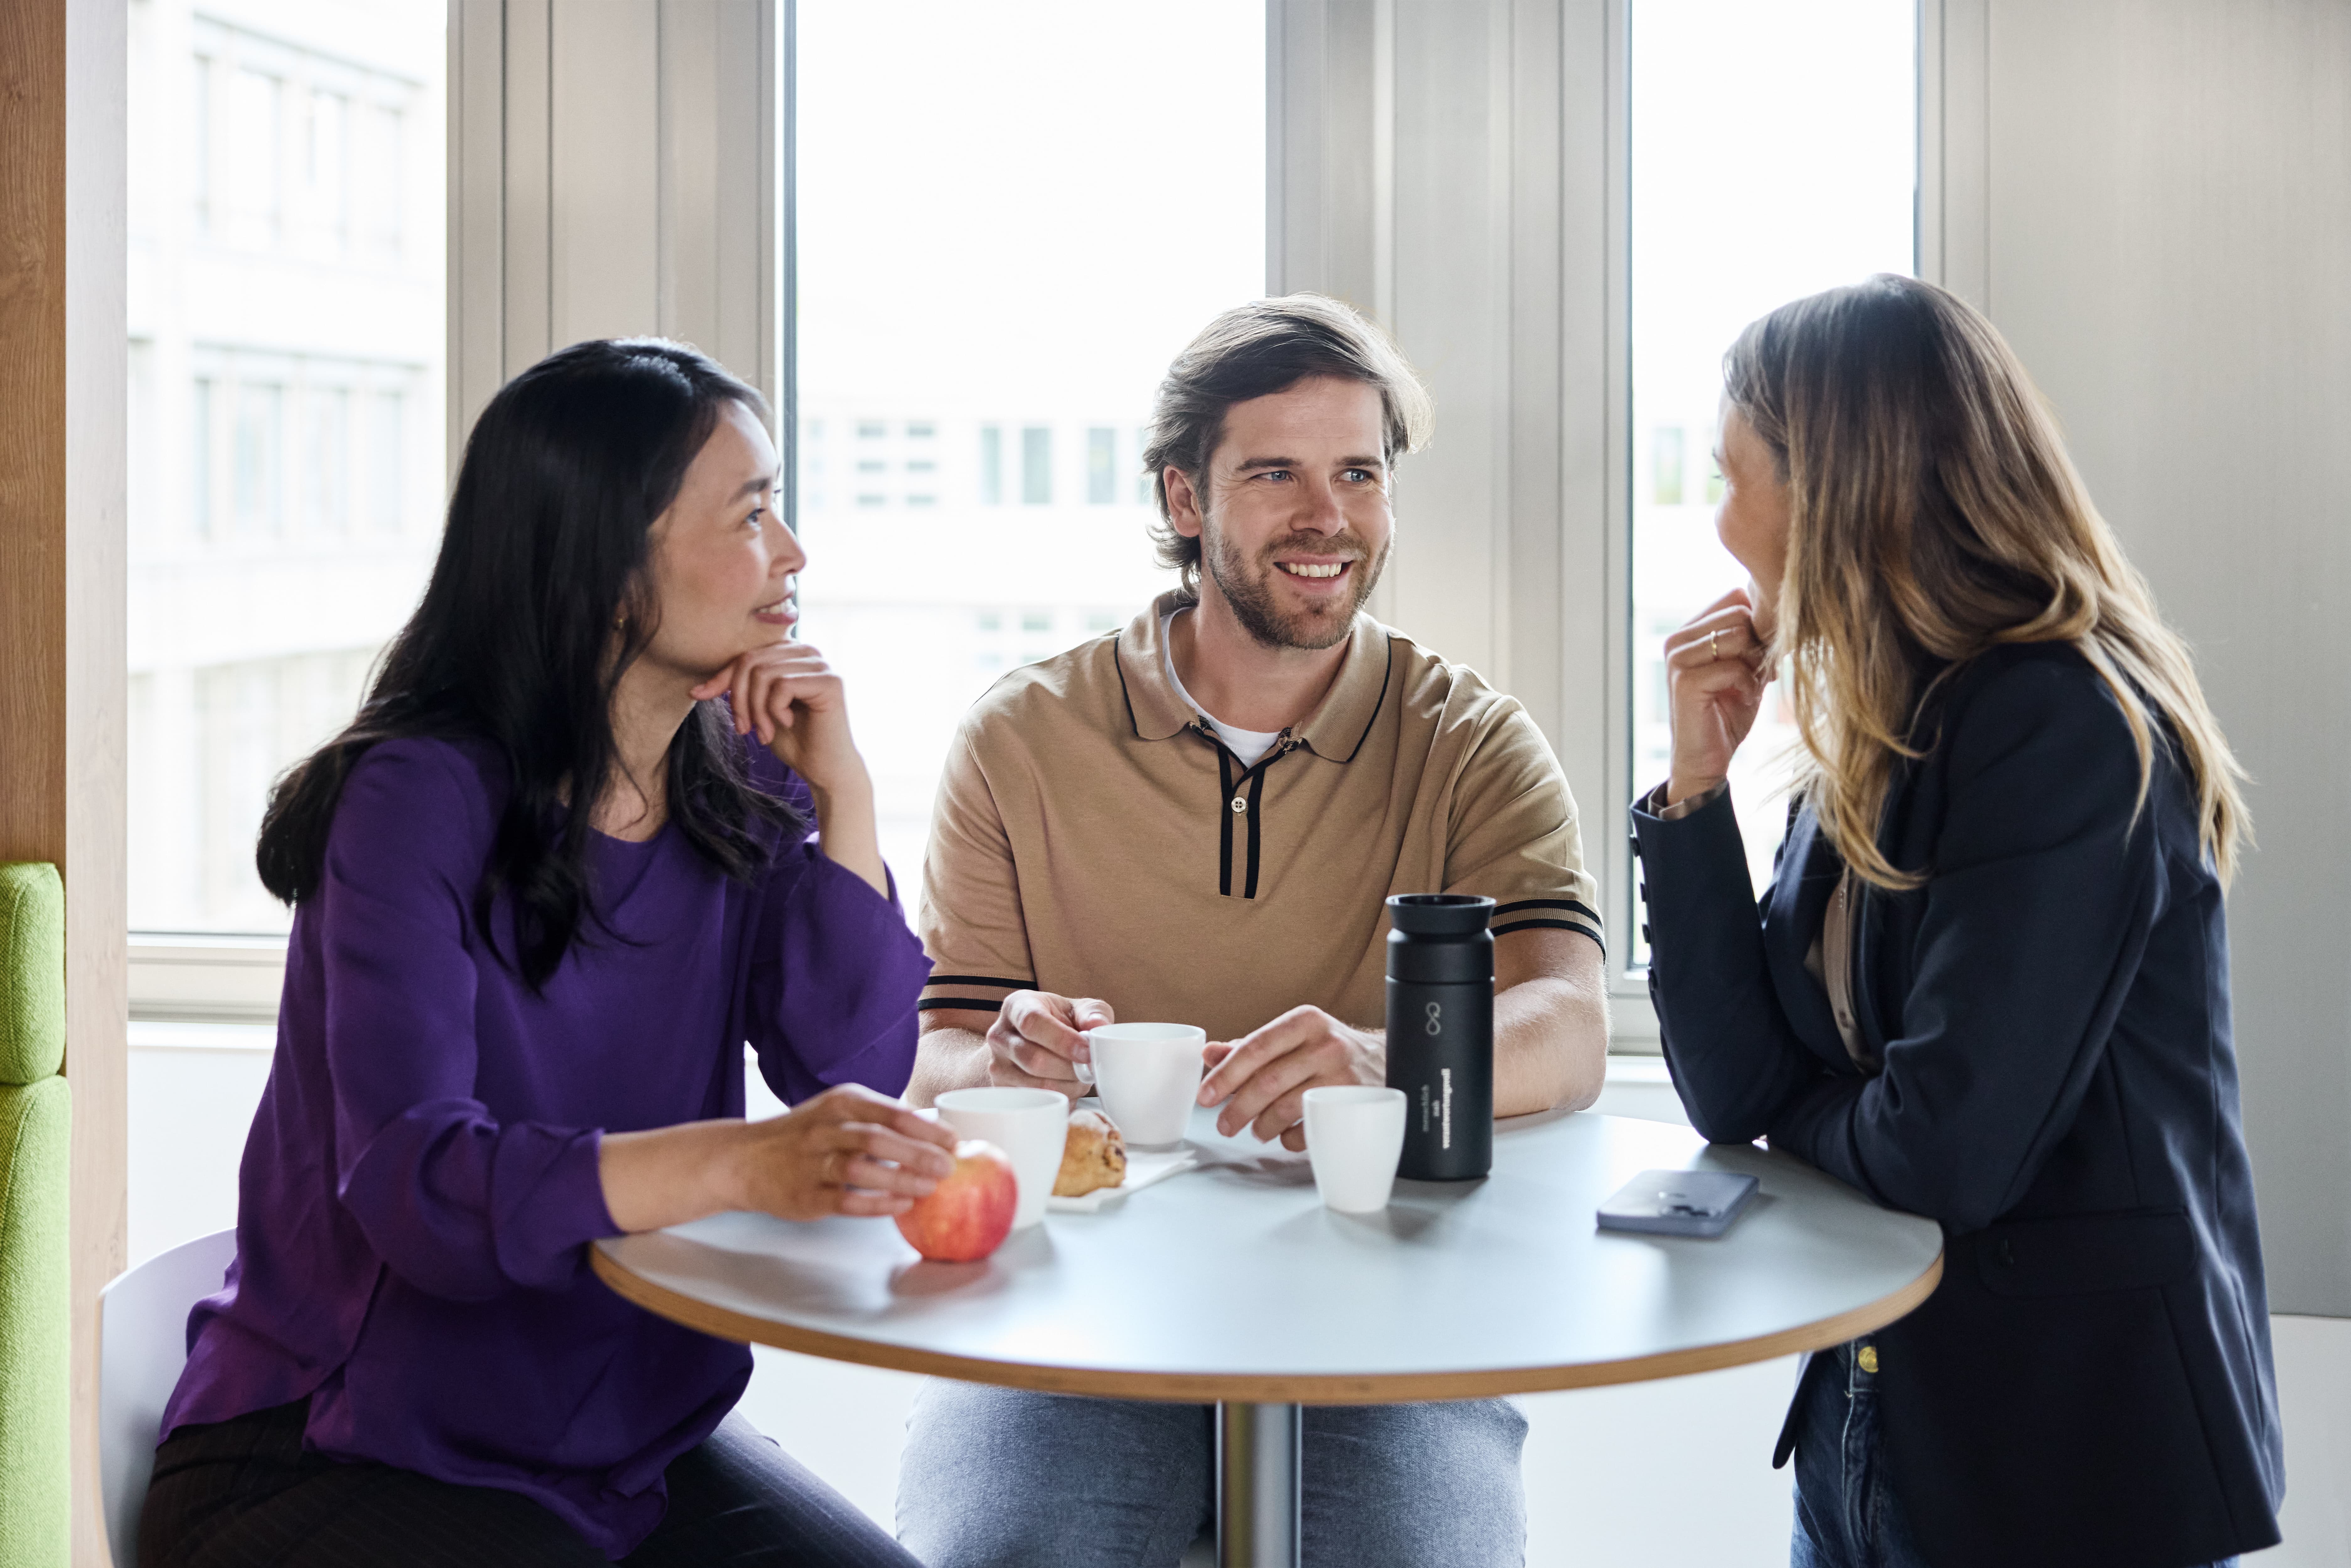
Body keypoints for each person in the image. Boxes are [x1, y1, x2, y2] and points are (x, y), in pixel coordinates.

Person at [141, 340, 957, 1568]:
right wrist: (742, 1161)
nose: (791, 551)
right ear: (611, 562)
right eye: (750, 512)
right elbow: (420, 1182)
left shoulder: (730, 775)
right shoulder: (414, 796)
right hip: (335, 1460)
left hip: (622, 1452)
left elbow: (843, 1062)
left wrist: (843, 790)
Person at [896, 294, 1610, 1568]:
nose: (1325, 517)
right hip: (1073, 1323)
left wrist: (1388, 1060)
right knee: (1010, 1553)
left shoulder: (1470, 739)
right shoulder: (1018, 739)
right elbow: (939, 1057)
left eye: (1357, 474)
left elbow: (1565, 1025)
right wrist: (1006, 1057)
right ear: (1185, 499)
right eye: (1274, 472)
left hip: (1394, 1324)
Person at [1634, 275, 2282, 1568]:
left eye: (1733, 476)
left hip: (2065, 1472)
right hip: (1874, 1427)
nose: (1721, 525)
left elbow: (1942, 1151)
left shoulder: (2060, 722)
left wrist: (1804, 1122)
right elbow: (1734, 1085)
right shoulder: (1882, 726)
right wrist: (1693, 792)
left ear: (1833, 490)